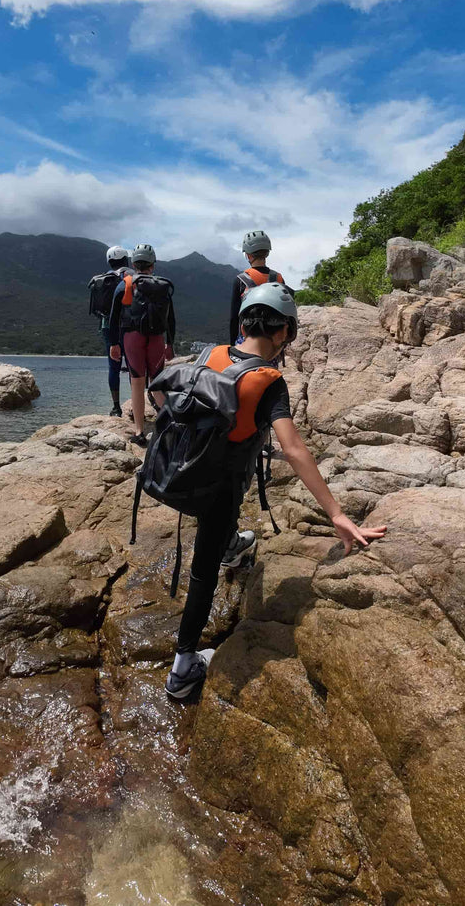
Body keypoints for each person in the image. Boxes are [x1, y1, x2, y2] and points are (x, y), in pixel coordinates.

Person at [164, 282, 385, 700]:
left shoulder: (209, 355)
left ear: (245, 322)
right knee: (202, 573)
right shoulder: (269, 382)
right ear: (283, 331)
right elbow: (294, 449)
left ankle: (231, 544)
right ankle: (182, 667)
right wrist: (337, 513)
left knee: (219, 534)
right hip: (220, 487)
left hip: (186, 471)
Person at [107, 244, 176, 447]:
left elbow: (113, 318)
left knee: (136, 383)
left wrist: (113, 343)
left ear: (134, 264)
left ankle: (139, 432)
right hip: (156, 338)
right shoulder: (162, 285)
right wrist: (170, 343)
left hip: (132, 337)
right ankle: (173, 424)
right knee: (156, 385)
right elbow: (171, 318)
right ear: (152, 265)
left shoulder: (125, 284)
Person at [88, 245, 130, 416]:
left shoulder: (102, 279)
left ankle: (116, 407)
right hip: (128, 326)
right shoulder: (130, 276)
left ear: (109, 261)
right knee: (134, 366)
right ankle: (138, 401)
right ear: (126, 259)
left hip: (107, 326)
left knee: (113, 367)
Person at [227, 229, 288, 345]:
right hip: (272, 342)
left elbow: (234, 318)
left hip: (248, 342)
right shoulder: (279, 279)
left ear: (248, 255)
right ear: (267, 253)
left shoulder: (240, 280)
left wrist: (232, 345)